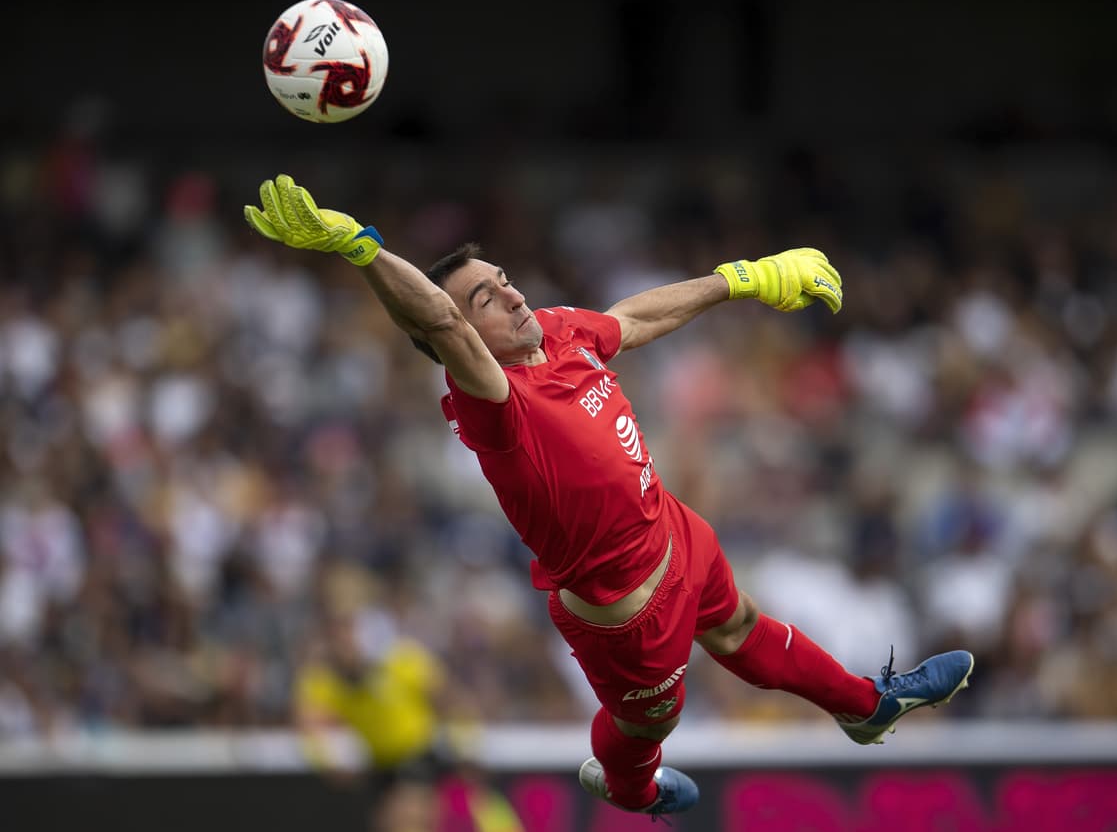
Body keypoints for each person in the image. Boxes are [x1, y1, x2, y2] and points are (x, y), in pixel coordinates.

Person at [247, 174, 975, 821]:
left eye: (502, 278)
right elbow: (436, 321)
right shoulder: (493, 403)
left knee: (738, 626)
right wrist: (362, 247)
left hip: (674, 528)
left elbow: (636, 319)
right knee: (646, 728)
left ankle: (868, 707)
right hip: (628, 610)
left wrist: (745, 277)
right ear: (463, 337)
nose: (510, 293)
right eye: (485, 299)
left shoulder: (559, 334)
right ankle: (633, 789)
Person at [294, 606, 457, 832]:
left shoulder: (399, 660)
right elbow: (310, 722)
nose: (345, 642)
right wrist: (328, 759)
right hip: (379, 762)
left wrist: (459, 737)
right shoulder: (325, 679)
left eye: (349, 632)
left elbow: (443, 694)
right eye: (337, 635)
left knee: (408, 815)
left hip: (417, 751)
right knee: (385, 823)